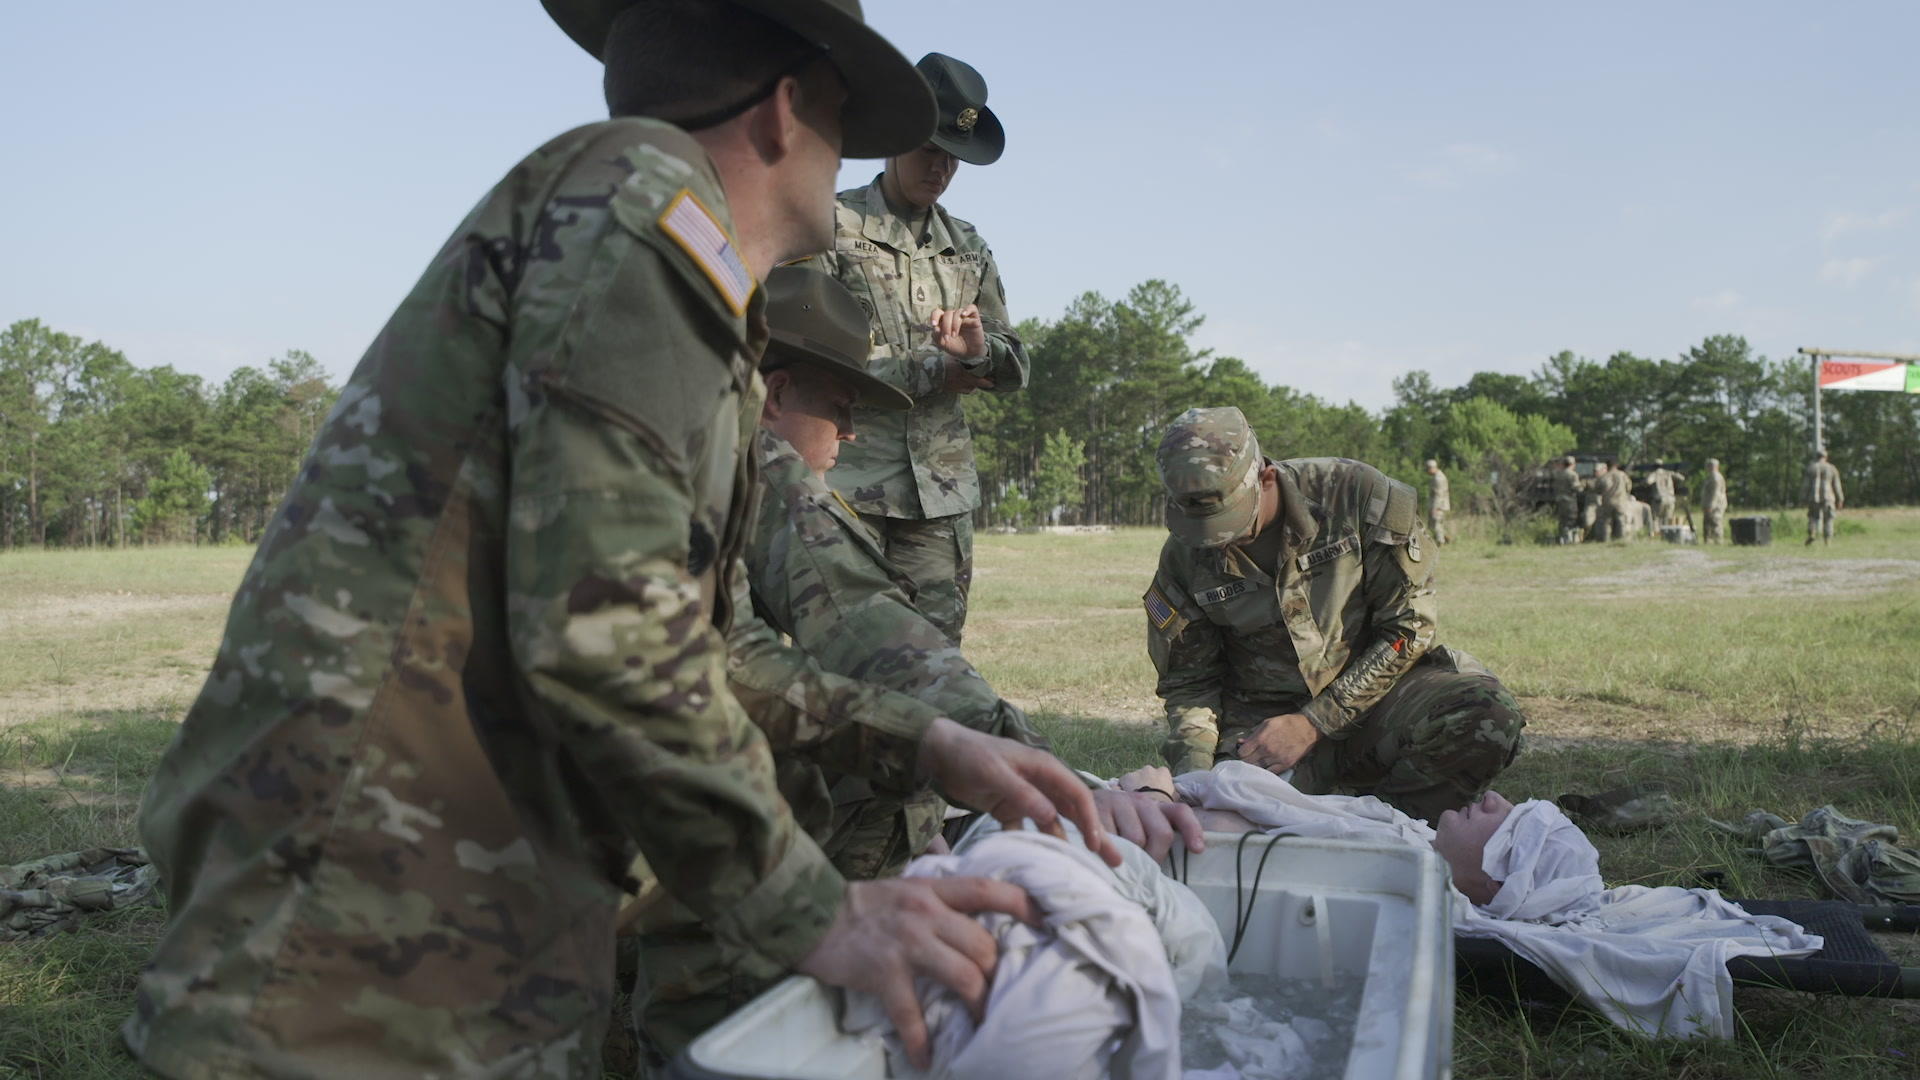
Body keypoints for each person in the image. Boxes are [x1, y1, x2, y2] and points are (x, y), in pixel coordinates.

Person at [123, 4, 1112, 1075]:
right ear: (788, 112)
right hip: (360, 943)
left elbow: (693, 645)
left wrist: (926, 740)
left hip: (437, 914)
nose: (850, 163)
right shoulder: (649, 209)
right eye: (844, 122)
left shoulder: (661, 261)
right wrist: (816, 910)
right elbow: (608, 634)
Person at [635, 266, 1198, 1061]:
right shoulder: (761, 462)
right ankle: (721, 1018)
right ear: (776, 393)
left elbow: (735, 658)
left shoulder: (670, 438)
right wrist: (1040, 775)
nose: (853, 434)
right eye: (842, 408)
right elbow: (868, 629)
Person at [1144, 407, 1525, 824]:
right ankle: (1335, 808)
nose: (1214, 542)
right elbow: (1190, 684)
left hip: (1378, 701)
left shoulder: (1355, 495)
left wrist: (1314, 723)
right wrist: (1195, 778)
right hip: (1261, 723)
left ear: (1266, 478)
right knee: (1230, 815)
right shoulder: (1184, 557)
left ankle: (1397, 828)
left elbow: (1409, 628)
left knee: (1483, 714)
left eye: (1228, 522)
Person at [817, 52, 1026, 645]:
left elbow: (1016, 361)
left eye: (954, 157)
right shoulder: (828, 226)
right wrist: (930, 367)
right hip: (845, 485)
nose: (941, 168)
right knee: (842, 654)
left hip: (938, 495)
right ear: (893, 140)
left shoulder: (969, 247)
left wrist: (978, 356)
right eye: (929, 150)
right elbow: (800, 354)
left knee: (934, 661)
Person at [1805, 449, 1845, 545]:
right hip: (1828, 497)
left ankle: (1812, 533)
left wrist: (1803, 497)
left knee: (1812, 517)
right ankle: (1827, 541)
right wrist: (1840, 498)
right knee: (1829, 519)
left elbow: (1805, 485)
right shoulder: (1832, 468)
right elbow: (1837, 485)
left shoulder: (1811, 468)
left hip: (1813, 497)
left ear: (1816, 457)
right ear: (1826, 457)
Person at [1597, 458, 1634, 541]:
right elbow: (1629, 487)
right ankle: (1621, 539)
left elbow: (1598, 489)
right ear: (1616, 465)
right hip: (1620, 502)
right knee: (1620, 521)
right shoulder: (1623, 475)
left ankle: (1605, 540)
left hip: (1607, 501)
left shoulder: (1604, 476)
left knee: (1606, 522)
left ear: (1607, 466)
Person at [1551, 455, 1582, 544]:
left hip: (1560, 500)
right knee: (1571, 519)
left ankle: (1562, 539)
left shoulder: (1558, 473)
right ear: (1572, 464)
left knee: (1562, 520)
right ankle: (1569, 539)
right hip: (1569, 501)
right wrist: (1582, 485)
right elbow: (1576, 488)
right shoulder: (1572, 474)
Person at [1699, 458, 1728, 543]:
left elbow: (1716, 493)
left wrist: (1711, 506)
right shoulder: (1711, 476)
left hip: (1716, 505)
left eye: (1708, 466)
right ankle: (1708, 540)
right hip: (1710, 504)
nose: (1706, 468)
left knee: (1716, 521)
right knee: (1708, 522)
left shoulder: (1715, 477)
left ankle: (1718, 540)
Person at [1424, 458, 1450, 545]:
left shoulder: (1438, 479)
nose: (1427, 471)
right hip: (1438, 506)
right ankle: (1442, 540)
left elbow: (1438, 495)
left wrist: (1435, 508)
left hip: (1438, 506)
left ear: (1431, 468)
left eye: (1427, 469)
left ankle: (1440, 542)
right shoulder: (1437, 477)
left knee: (1436, 525)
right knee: (1434, 525)